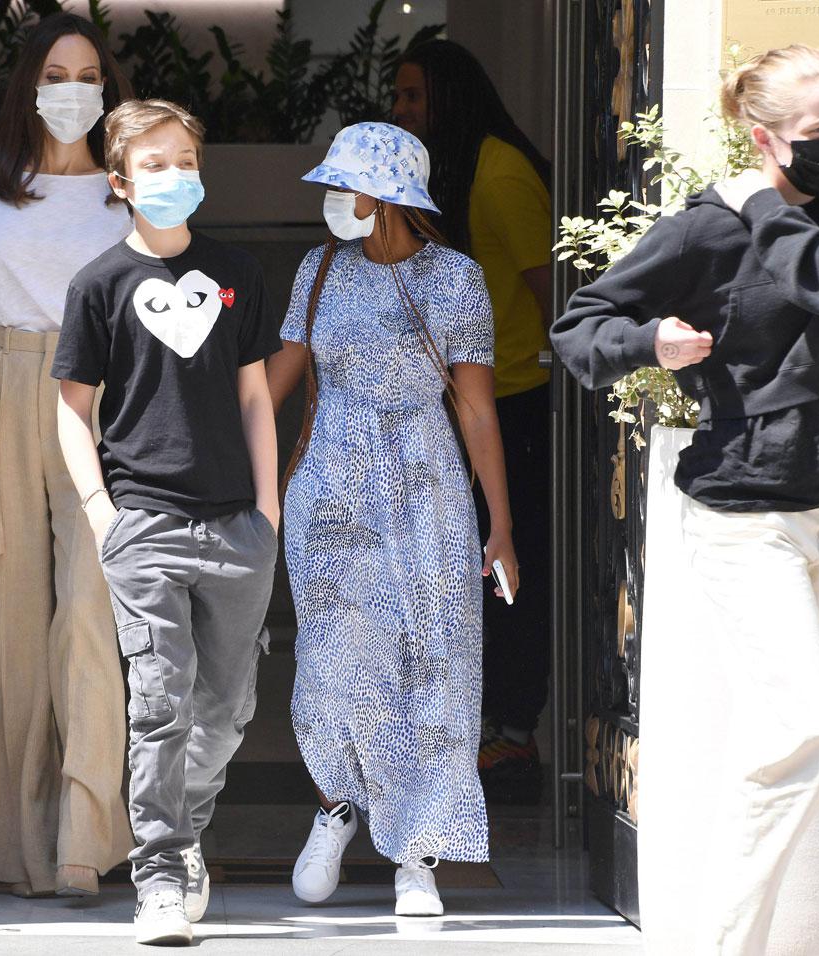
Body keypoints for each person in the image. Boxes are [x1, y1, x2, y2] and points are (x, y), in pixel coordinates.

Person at [551, 44, 819, 956]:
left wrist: (768, 206)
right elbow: (578, 325)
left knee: (806, 745)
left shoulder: (813, 219)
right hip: (745, 514)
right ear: (766, 137)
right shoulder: (706, 231)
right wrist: (649, 341)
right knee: (806, 727)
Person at [266, 123, 517, 918]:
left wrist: (500, 524)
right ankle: (336, 806)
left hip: (425, 483)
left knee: (433, 665)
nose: (335, 200)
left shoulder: (455, 280)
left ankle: (418, 854)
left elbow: (477, 412)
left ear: (391, 198)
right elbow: (271, 387)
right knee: (332, 664)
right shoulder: (317, 271)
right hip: (331, 486)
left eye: (349, 186)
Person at [53, 98, 281, 946]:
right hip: (141, 525)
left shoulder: (238, 272)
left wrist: (268, 513)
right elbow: (73, 410)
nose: (172, 176)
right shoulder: (97, 286)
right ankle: (158, 871)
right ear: (119, 182)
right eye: (153, 164)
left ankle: (184, 827)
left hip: (237, 529)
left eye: (184, 159)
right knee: (158, 706)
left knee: (226, 711)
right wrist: (102, 515)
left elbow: (256, 395)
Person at [0, 13, 135, 898]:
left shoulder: (129, 186)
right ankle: (20, 843)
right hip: (9, 381)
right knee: (11, 621)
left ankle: (84, 839)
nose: (73, 88)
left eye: (89, 73)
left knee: (92, 615)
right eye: (57, 72)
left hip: (104, 392)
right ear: (30, 84)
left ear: (108, 87)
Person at [394, 40, 553, 802]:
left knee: (510, 563)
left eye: (416, 97)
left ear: (451, 99)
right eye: (399, 97)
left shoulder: (498, 175)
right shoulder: (453, 171)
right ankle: (483, 723)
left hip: (514, 398)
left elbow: (551, 291)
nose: (403, 111)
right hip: (465, 399)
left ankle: (515, 733)